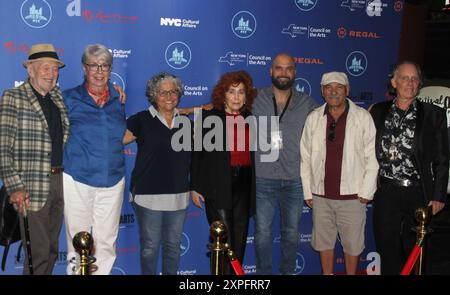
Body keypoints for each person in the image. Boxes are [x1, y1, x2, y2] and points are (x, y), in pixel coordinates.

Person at [370, 61, 449, 275]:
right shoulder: (377, 111)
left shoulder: (434, 114)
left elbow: (443, 157)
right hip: (386, 191)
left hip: (418, 191)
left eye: (415, 78)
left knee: (416, 248)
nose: (410, 83)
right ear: (394, 82)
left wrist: (439, 195)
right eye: (405, 78)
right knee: (387, 247)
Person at [0, 43, 70, 274]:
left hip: (59, 181)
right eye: (45, 68)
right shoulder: (13, 97)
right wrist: (14, 187)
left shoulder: (58, 97)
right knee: (37, 252)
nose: (51, 74)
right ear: (30, 70)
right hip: (29, 186)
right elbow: (3, 146)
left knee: (51, 249)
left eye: (55, 69)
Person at [300, 71, 379, 275]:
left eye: (339, 87)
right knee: (324, 243)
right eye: (328, 87)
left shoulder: (362, 117)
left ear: (347, 90)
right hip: (321, 195)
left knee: (353, 245)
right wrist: (308, 192)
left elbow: (372, 157)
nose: (333, 92)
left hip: (353, 196)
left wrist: (366, 193)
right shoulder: (313, 118)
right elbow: (305, 157)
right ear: (322, 91)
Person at [62, 44, 126, 275]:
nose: (99, 71)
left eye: (105, 66)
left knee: (106, 244)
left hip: (113, 180)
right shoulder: (67, 98)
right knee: (78, 242)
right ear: (84, 68)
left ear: (110, 69)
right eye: (93, 66)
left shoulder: (118, 99)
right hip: (77, 178)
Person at [252, 53, 318, 275]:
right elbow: (223, 103)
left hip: (294, 179)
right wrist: (187, 112)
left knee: (291, 233)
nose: (283, 73)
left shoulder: (307, 102)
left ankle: (287, 272)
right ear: (270, 71)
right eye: (278, 68)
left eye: (288, 68)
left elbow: (331, 118)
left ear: (295, 72)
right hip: (263, 178)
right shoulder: (254, 98)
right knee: (262, 233)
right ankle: (263, 276)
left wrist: (363, 112)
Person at [123, 73, 191, 275]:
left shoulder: (186, 123)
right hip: (147, 197)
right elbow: (114, 140)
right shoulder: (141, 120)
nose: (169, 96)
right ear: (154, 95)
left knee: (173, 248)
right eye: (163, 92)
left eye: (173, 91)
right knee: (150, 249)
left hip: (178, 196)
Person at [190, 70, 257, 274]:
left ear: (247, 96)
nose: (236, 97)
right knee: (224, 239)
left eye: (240, 92)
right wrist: (194, 186)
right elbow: (197, 155)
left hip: (243, 184)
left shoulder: (249, 117)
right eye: (231, 91)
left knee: (240, 239)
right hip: (217, 184)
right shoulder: (210, 118)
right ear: (223, 94)